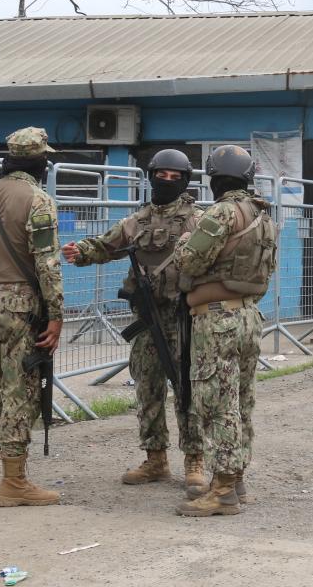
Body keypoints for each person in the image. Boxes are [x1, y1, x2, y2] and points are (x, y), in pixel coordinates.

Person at [60, 149, 206, 497]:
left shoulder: (197, 221)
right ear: (151, 176)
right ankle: (155, 458)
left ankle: (195, 461)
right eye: (161, 175)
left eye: (174, 177)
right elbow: (106, 245)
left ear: (184, 181)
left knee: (188, 389)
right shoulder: (137, 222)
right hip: (147, 319)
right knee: (148, 388)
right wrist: (79, 251)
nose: (166, 182)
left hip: (183, 317)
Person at [0, 126, 63, 508]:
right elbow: (48, 263)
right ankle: (15, 482)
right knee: (18, 389)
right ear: (40, 163)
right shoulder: (39, 200)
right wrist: (55, 315)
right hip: (20, 302)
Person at [173, 145, 277, 517]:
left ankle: (222, 491)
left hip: (217, 320)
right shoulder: (263, 216)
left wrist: (185, 241)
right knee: (241, 402)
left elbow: (188, 259)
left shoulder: (220, 212)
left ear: (215, 178)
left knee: (217, 404)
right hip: (248, 316)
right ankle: (237, 480)